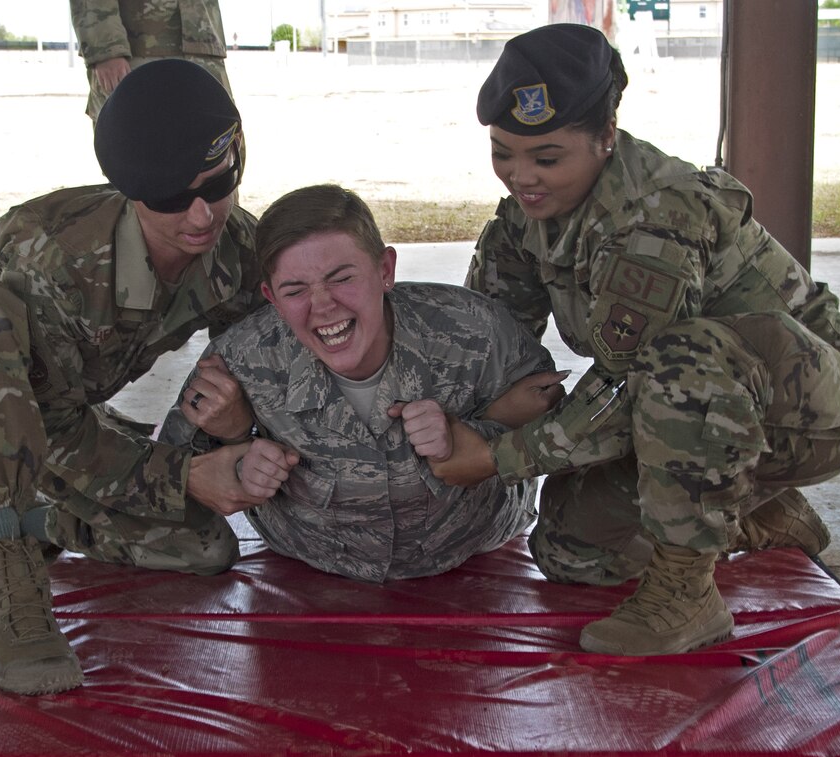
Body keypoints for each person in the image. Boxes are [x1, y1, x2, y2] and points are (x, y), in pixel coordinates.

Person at [430, 24, 840, 655]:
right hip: (707, 406)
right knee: (570, 546)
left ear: (605, 139)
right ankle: (757, 513)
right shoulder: (527, 222)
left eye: (546, 158)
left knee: (684, 360)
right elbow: (486, 338)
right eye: (502, 152)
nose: (520, 176)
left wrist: (495, 458)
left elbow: (629, 377)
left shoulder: (657, 218)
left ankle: (686, 596)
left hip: (822, 407)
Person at [0, 60, 267, 696]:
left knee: (203, 546)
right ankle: (5, 562)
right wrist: (180, 473)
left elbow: (272, 359)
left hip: (54, 400)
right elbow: (47, 425)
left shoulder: (234, 250)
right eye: (167, 196)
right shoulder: (55, 257)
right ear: (131, 190)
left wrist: (235, 443)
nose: (199, 215)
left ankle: (43, 520)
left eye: (217, 185)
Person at [158, 184, 567, 582]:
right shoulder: (240, 360)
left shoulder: (476, 331)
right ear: (271, 297)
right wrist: (237, 448)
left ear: (385, 270)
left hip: (474, 539)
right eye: (295, 290)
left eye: (342, 279)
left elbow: (553, 419)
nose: (323, 305)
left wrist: (476, 437)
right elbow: (174, 466)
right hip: (309, 552)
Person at [70, 0, 231, 124]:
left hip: (204, 48)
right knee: (141, 153)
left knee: (220, 150)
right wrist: (106, 47)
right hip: (137, 54)